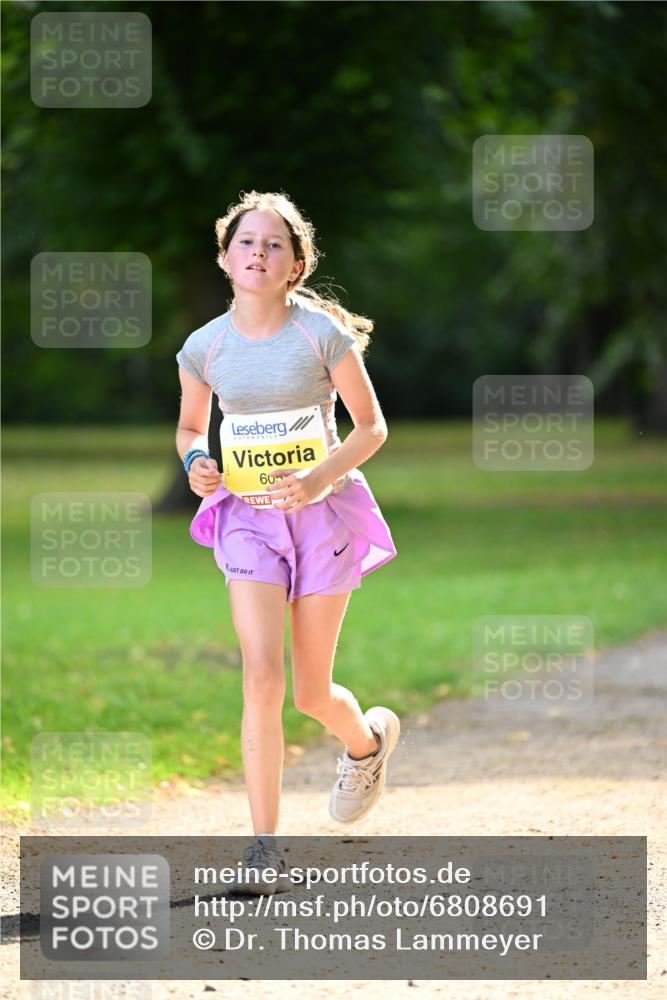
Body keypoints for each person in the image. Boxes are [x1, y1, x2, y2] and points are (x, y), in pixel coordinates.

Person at [175, 190, 400, 894]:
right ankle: (264, 848)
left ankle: (365, 744)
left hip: (322, 518)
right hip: (246, 521)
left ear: (296, 264)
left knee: (308, 693)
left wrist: (318, 479)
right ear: (224, 257)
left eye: (274, 244)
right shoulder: (203, 347)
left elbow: (370, 428)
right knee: (261, 677)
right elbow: (189, 429)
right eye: (246, 242)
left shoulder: (318, 337)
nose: (258, 253)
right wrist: (195, 464)